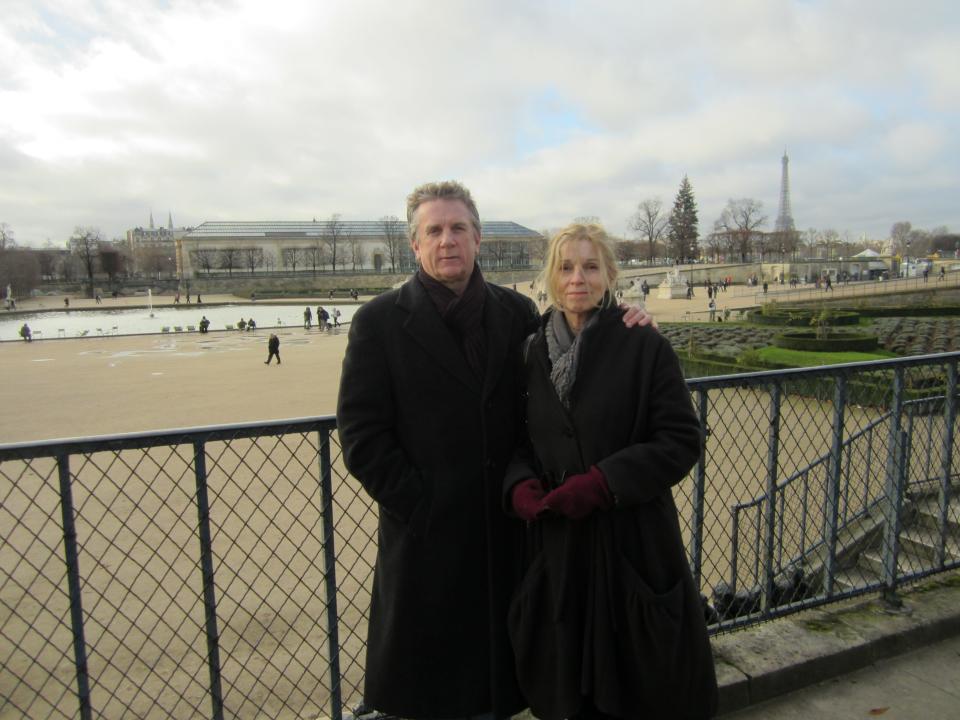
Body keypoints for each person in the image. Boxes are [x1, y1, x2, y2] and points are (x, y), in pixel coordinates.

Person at [336, 181, 655, 720]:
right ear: (414, 245)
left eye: (458, 228)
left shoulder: (514, 313)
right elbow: (362, 437)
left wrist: (630, 321)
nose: (447, 241)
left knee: (501, 682)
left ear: (478, 238)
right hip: (428, 535)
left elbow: (567, 366)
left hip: (509, 526)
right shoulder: (379, 322)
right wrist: (421, 505)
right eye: (433, 231)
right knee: (432, 692)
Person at [504, 223, 717, 720]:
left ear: (610, 276)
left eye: (591, 266)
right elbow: (517, 441)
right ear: (551, 277)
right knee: (567, 688)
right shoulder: (531, 352)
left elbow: (681, 439)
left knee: (641, 686)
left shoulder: (644, 346)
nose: (578, 278)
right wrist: (518, 485)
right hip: (560, 549)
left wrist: (604, 483)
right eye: (566, 266)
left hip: (633, 543)